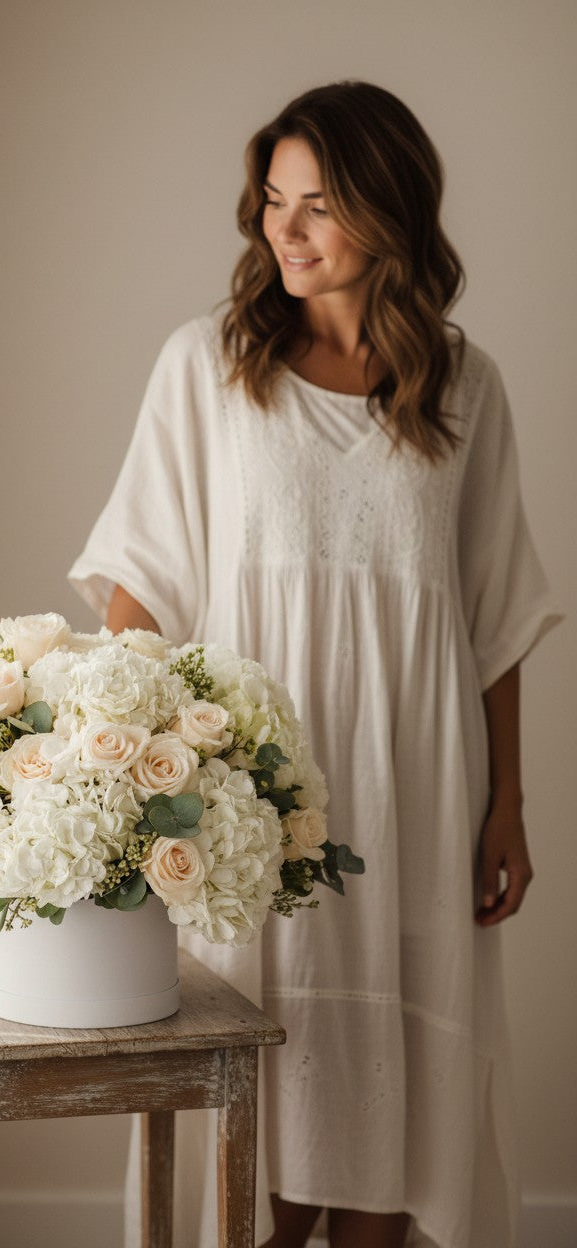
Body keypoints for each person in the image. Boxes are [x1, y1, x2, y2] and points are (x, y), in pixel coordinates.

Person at [68, 81, 562, 1248]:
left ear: (388, 215)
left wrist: (509, 805)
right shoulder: (210, 366)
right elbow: (142, 583)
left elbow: (493, 614)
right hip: (259, 797)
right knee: (266, 1106)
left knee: (394, 1116)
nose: (280, 231)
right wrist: (121, 786)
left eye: (317, 206)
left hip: (418, 785)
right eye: (271, 203)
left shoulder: (462, 385)